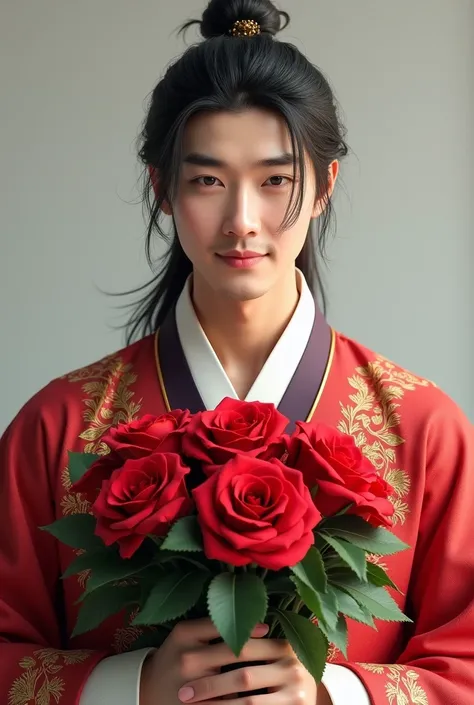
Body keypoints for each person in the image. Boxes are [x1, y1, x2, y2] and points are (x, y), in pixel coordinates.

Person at [1, 0, 473, 703]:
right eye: (207, 180)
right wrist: (131, 685)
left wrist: (332, 692)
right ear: (162, 187)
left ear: (325, 187)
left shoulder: (423, 427)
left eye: (275, 180)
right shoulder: (60, 423)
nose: (242, 221)